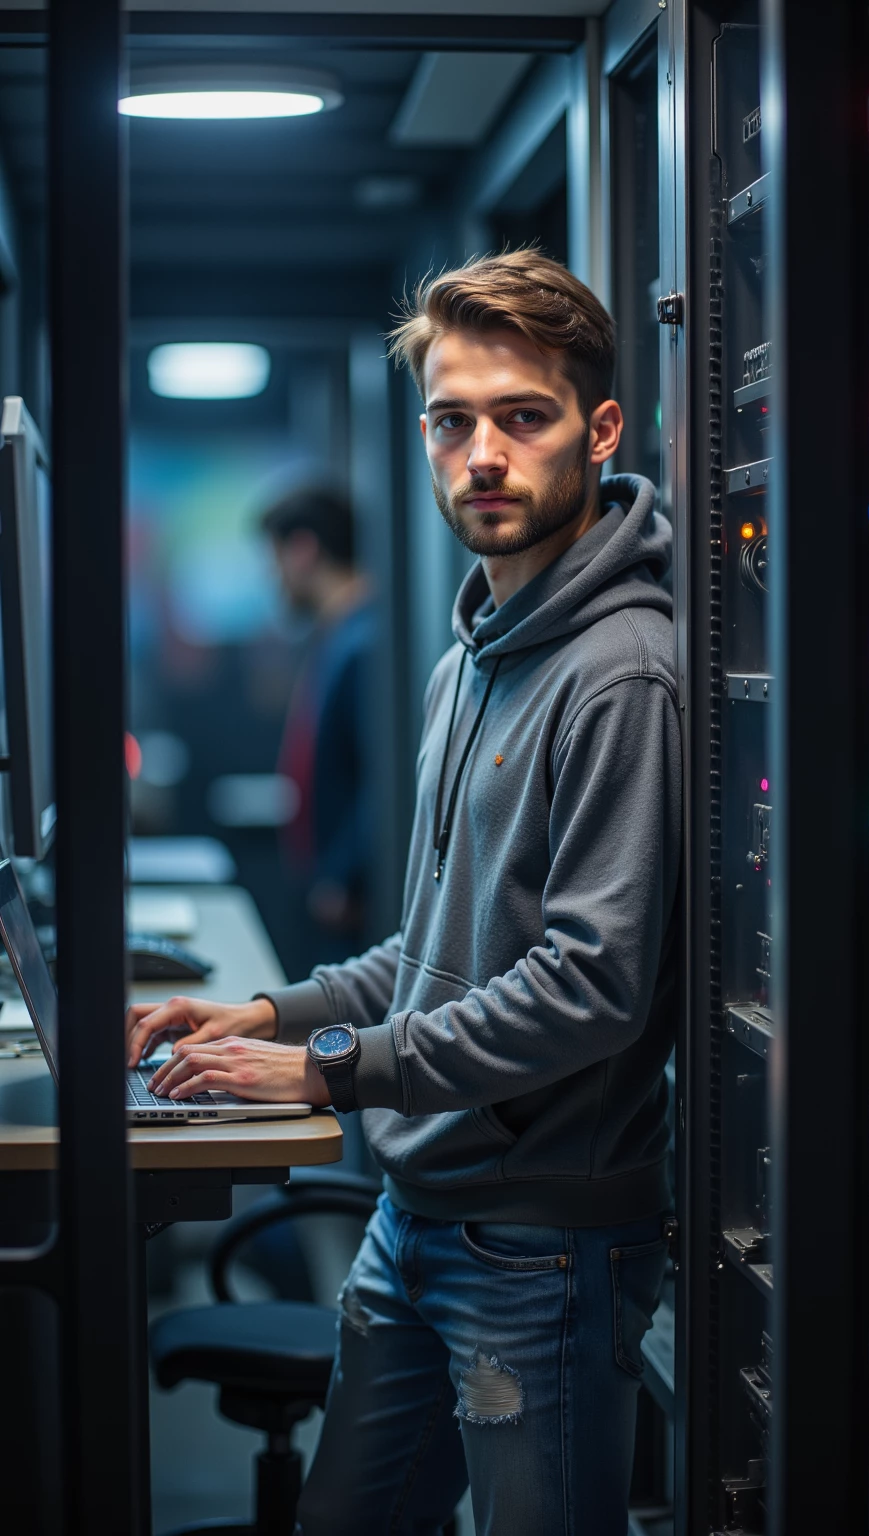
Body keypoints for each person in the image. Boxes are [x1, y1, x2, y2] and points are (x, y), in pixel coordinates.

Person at [127, 250, 682, 1536]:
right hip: (416, 1211)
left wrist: (330, 1067)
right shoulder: (466, 660)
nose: (481, 453)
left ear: (597, 430)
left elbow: (588, 989)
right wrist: (262, 1017)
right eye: (451, 420)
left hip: (539, 1248)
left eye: (522, 417)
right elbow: (437, 947)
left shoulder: (620, 674)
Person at [262, 486, 375, 966]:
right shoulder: (338, 636)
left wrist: (345, 874)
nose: (274, 578)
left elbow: (384, 774)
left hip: (352, 901)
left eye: (274, 559)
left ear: (304, 549)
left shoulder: (363, 641)